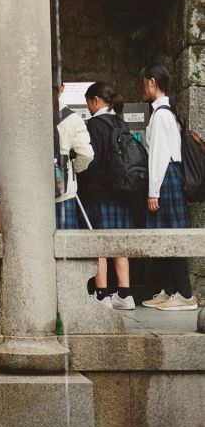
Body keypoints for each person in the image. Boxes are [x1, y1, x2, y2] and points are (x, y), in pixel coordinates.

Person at [139, 64, 198, 311]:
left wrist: (153, 192)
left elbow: (158, 156)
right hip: (169, 176)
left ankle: (184, 294)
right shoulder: (166, 112)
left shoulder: (161, 114)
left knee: (172, 236)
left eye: (143, 83)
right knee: (165, 236)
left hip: (165, 177)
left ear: (152, 82)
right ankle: (171, 290)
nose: (141, 88)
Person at [76, 81, 134, 309]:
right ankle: (125, 293)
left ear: (96, 101)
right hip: (122, 191)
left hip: (99, 192)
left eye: (89, 103)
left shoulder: (94, 125)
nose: (89, 107)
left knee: (98, 241)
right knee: (118, 242)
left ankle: (102, 294)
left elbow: (92, 159)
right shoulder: (121, 123)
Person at [54, 84, 94, 229]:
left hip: (32, 196)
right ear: (62, 88)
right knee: (66, 248)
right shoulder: (72, 118)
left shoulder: (28, 116)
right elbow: (87, 154)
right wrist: (74, 168)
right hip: (64, 193)